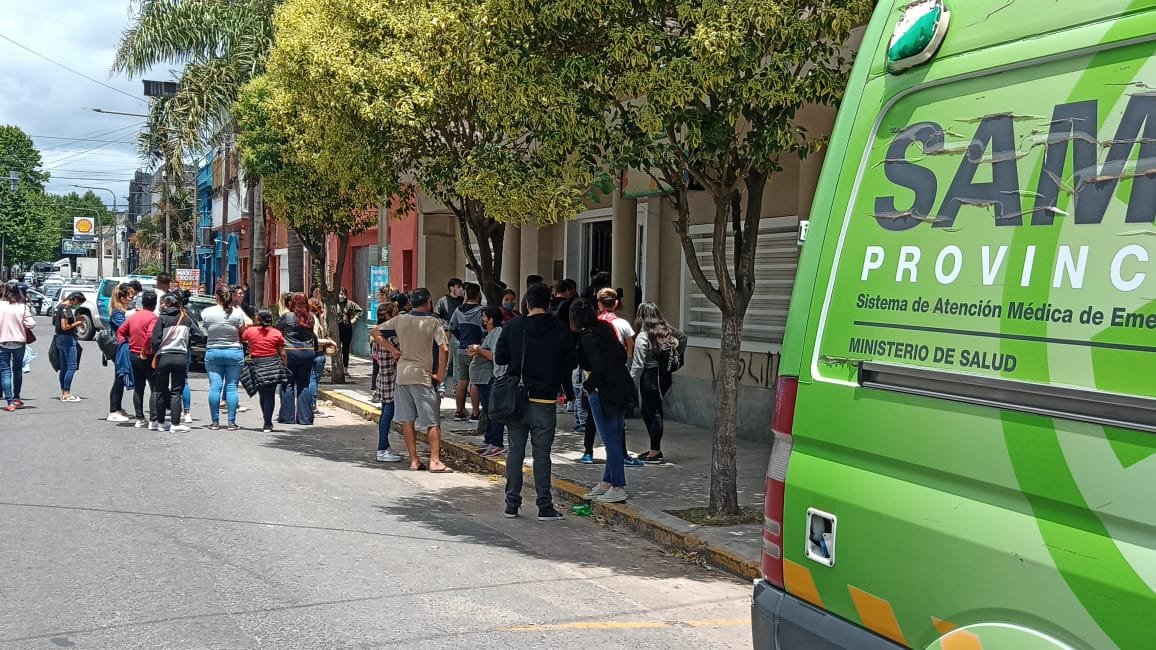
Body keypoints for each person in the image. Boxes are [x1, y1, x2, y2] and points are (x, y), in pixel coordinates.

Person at [495, 283, 576, 521]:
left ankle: (511, 504)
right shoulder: (559, 328)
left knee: (515, 452)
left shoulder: (512, 326)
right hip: (545, 398)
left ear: (527, 303)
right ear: (549, 303)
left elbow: (501, 357)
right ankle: (544, 506)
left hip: (516, 399)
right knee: (542, 454)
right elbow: (571, 362)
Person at [378, 287, 452, 473]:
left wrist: (394, 350)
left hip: (402, 375)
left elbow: (375, 332)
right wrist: (441, 374)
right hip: (423, 376)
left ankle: (414, 460)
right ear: (428, 302)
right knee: (432, 421)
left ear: (411, 303)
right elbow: (444, 349)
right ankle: (435, 461)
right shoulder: (432, 322)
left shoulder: (400, 319)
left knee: (407, 420)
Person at [573, 298, 634, 503]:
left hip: (602, 391)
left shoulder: (587, 337)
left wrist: (587, 388)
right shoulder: (606, 328)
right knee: (615, 435)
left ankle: (618, 486)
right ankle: (607, 482)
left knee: (610, 440)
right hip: (620, 387)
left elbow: (597, 367)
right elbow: (621, 354)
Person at [630, 303, 687, 464]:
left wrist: (630, 382)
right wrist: (679, 356)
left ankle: (655, 452)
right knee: (648, 411)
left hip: (650, 378)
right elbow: (683, 337)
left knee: (653, 413)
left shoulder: (643, 337)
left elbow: (638, 365)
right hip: (663, 377)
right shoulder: (666, 332)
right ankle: (654, 449)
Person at [150, 291, 202, 433]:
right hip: (180, 357)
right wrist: (187, 343)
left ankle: (161, 422)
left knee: (160, 390)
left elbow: (154, 340)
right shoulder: (185, 318)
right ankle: (175, 423)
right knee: (176, 391)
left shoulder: (162, 318)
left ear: (167, 304)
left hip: (163, 356)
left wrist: (156, 350)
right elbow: (199, 334)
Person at [202, 285, 248, 430]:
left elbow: (206, 327)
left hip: (213, 351)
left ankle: (215, 422)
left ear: (216, 296)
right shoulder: (237, 313)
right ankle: (231, 422)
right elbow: (243, 332)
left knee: (215, 387)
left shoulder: (207, 312)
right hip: (234, 351)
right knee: (232, 387)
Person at [369, 301, 404, 462]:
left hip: (383, 377)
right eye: (395, 313)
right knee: (388, 412)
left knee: (385, 412)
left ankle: (384, 446)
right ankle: (382, 448)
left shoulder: (379, 336)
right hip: (390, 377)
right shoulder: (390, 338)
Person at [119, 290, 159, 428]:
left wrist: (125, 345)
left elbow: (121, 331)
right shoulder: (153, 317)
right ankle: (153, 419)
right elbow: (150, 335)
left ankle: (140, 418)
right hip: (147, 355)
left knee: (138, 387)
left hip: (133, 354)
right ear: (155, 304)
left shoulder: (134, 316)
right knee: (154, 387)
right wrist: (144, 349)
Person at [242, 309, 286, 433]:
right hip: (273, 365)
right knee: (270, 394)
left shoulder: (250, 331)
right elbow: (282, 353)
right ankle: (268, 423)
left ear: (258, 319)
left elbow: (242, 337)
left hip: (257, 364)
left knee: (262, 394)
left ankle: (266, 421)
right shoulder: (277, 333)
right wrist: (285, 364)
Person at [469, 306, 505, 457]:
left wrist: (479, 350)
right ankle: (489, 439)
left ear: (490, 319)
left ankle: (496, 442)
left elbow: (494, 356)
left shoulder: (497, 332)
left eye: (484, 317)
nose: (482, 320)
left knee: (493, 411)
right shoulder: (489, 334)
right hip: (482, 379)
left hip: (489, 378)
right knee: (488, 410)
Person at [277, 292, 318, 425]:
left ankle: (287, 417)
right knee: (304, 384)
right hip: (308, 352)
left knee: (288, 383)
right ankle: (305, 418)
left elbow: (276, 330)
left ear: (293, 303)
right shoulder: (311, 318)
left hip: (290, 352)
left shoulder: (287, 317)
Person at [446, 282, 484, 422]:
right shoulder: (481, 310)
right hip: (476, 349)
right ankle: (475, 413)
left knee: (462, 381)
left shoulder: (458, 310)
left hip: (462, 349)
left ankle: (459, 411)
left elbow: (451, 327)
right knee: (474, 382)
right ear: (479, 294)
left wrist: (461, 337)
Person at [0, 281, 35, 412]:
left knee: (5, 371)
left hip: (2, 342)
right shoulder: (22, 307)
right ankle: (16, 397)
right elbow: (31, 324)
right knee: (17, 369)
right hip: (19, 342)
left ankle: (10, 402)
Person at [106, 284, 135, 422]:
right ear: (122, 298)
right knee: (119, 378)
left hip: (123, 347)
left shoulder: (122, 311)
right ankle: (113, 410)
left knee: (120, 379)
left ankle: (118, 408)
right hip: (119, 348)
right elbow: (125, 328)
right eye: (130, 296)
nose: (132, 299)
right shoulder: (118, 313)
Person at [53, 291, 87, 403]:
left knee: (64, 367)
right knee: (71, 366)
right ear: (75, 299)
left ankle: (63, 392)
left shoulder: (59, 307)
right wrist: (77, 323)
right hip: (67, 338)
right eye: (78, 303)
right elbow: (65, 326)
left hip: (59, 338)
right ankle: (67, 393)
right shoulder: (65, 309)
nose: (77, 306)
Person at [434, 278, 464, 398]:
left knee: (458, 363)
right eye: (458, 287)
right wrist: (446, 329)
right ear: (452, 288)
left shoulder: (462, 301)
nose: (461, 289)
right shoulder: (442, 301)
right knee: (445, 361)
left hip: (458, 335)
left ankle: (456, 387)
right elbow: (437, 316)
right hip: (447, 335)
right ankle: (441, 386)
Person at [308, 297, 337, 418]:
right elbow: (315, 339)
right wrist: (329, 342)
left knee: (312, 380)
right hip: (317, 353)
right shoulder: (314, 319)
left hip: (313, 353)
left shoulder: (312, 318)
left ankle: (310, 406)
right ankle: (312, 407)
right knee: (313, 380)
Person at [336, 288, 363, 371]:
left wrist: (354, 319)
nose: (341, 295)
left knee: (345, 348)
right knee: (336, 348)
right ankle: (337, 367)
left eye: (343, 293)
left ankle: (345, 368)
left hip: (346, 328)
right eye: (340, 293)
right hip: (337, 328)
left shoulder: (350, 304)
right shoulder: (334, 303)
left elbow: (360, 311)